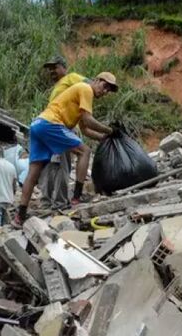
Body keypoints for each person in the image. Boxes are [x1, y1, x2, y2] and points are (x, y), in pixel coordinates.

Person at [12, 72, 119, 227]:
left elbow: (86, 129)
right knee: (85, 151)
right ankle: (76, 197)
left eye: (109, 90)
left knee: (33, 173)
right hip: (51, 124)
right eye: (105, 86)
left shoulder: (81, 94)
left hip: (37, 125)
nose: (105, 91)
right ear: (96, 80)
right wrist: (110, 131)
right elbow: (89, 121)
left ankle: (19, 216)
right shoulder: (86, 88)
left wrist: (103, 138)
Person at [39, 56, 87, 210]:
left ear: (64, 68)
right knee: (51, 165)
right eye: (50, 69)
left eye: (55, 67)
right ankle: (47, 201)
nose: (52, 71)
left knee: (62, 165)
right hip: (53, 129)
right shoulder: (57, 87)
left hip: (65, 129)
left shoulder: (71, 78)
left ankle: (59, 201)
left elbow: (90, 84)